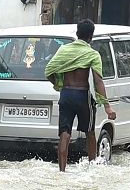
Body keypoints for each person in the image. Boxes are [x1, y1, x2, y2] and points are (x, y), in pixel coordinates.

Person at [44, 19, 117, 171]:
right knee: (90, 132)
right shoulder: (92, 54)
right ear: (91, 37)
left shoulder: (63, 50)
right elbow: (98, 81)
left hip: (66, 94)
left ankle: (62, 171)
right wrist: (107, 107)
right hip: (82, 95)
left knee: (64, 134)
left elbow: (48, 70)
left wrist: (58, 85)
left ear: (77, 34)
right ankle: (92, 168)